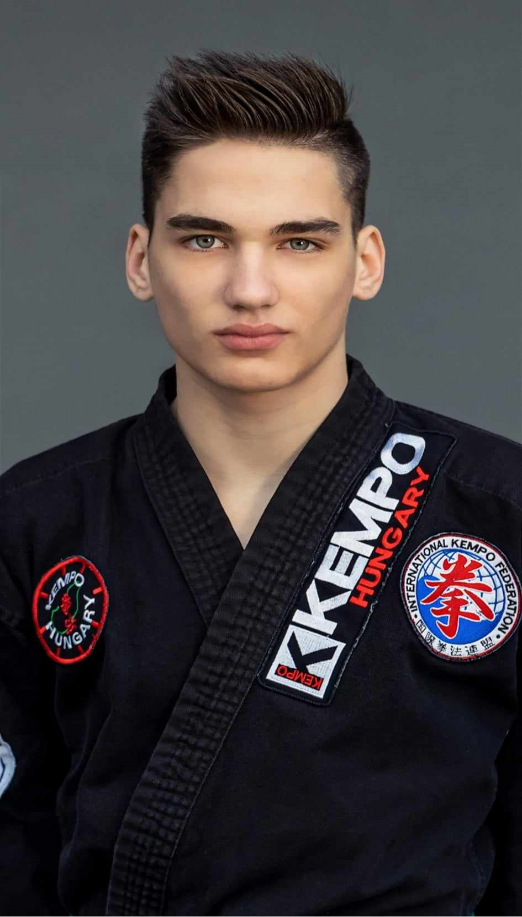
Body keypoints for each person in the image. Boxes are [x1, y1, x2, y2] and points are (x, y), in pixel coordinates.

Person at [0, 48, 520, 917]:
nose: (250, 289)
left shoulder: (497, 508)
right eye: (204, 239)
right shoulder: (38, 518)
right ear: (140, 258)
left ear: (365, 261)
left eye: (299, 242)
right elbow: (13, 853)